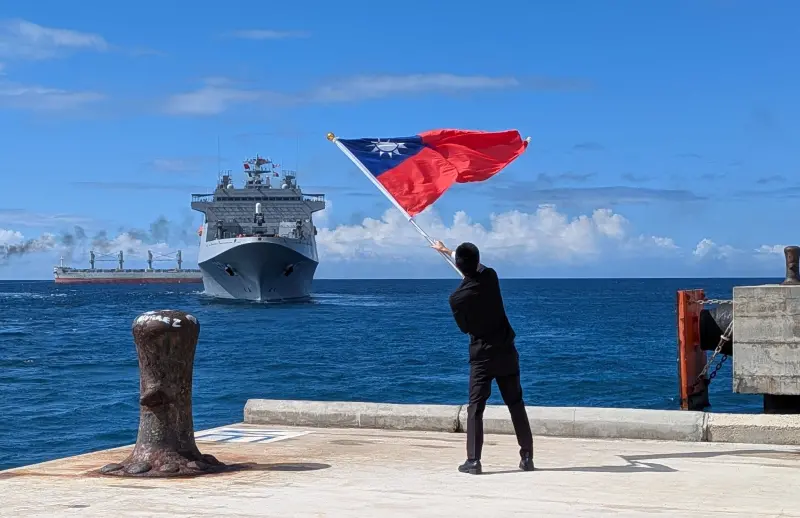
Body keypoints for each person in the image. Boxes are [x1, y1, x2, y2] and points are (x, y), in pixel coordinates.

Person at [432, 240, 534, 475]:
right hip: (507, 351)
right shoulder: (491, 276)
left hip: (482, 357)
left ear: (458, 265)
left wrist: (447, 252)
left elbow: (463, 328)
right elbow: (477, 267)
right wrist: (448, 251)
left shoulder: (456, 298)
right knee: (516, 404)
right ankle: (527, 456)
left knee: (475, 408)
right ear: (477, 261)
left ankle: (474, 461)